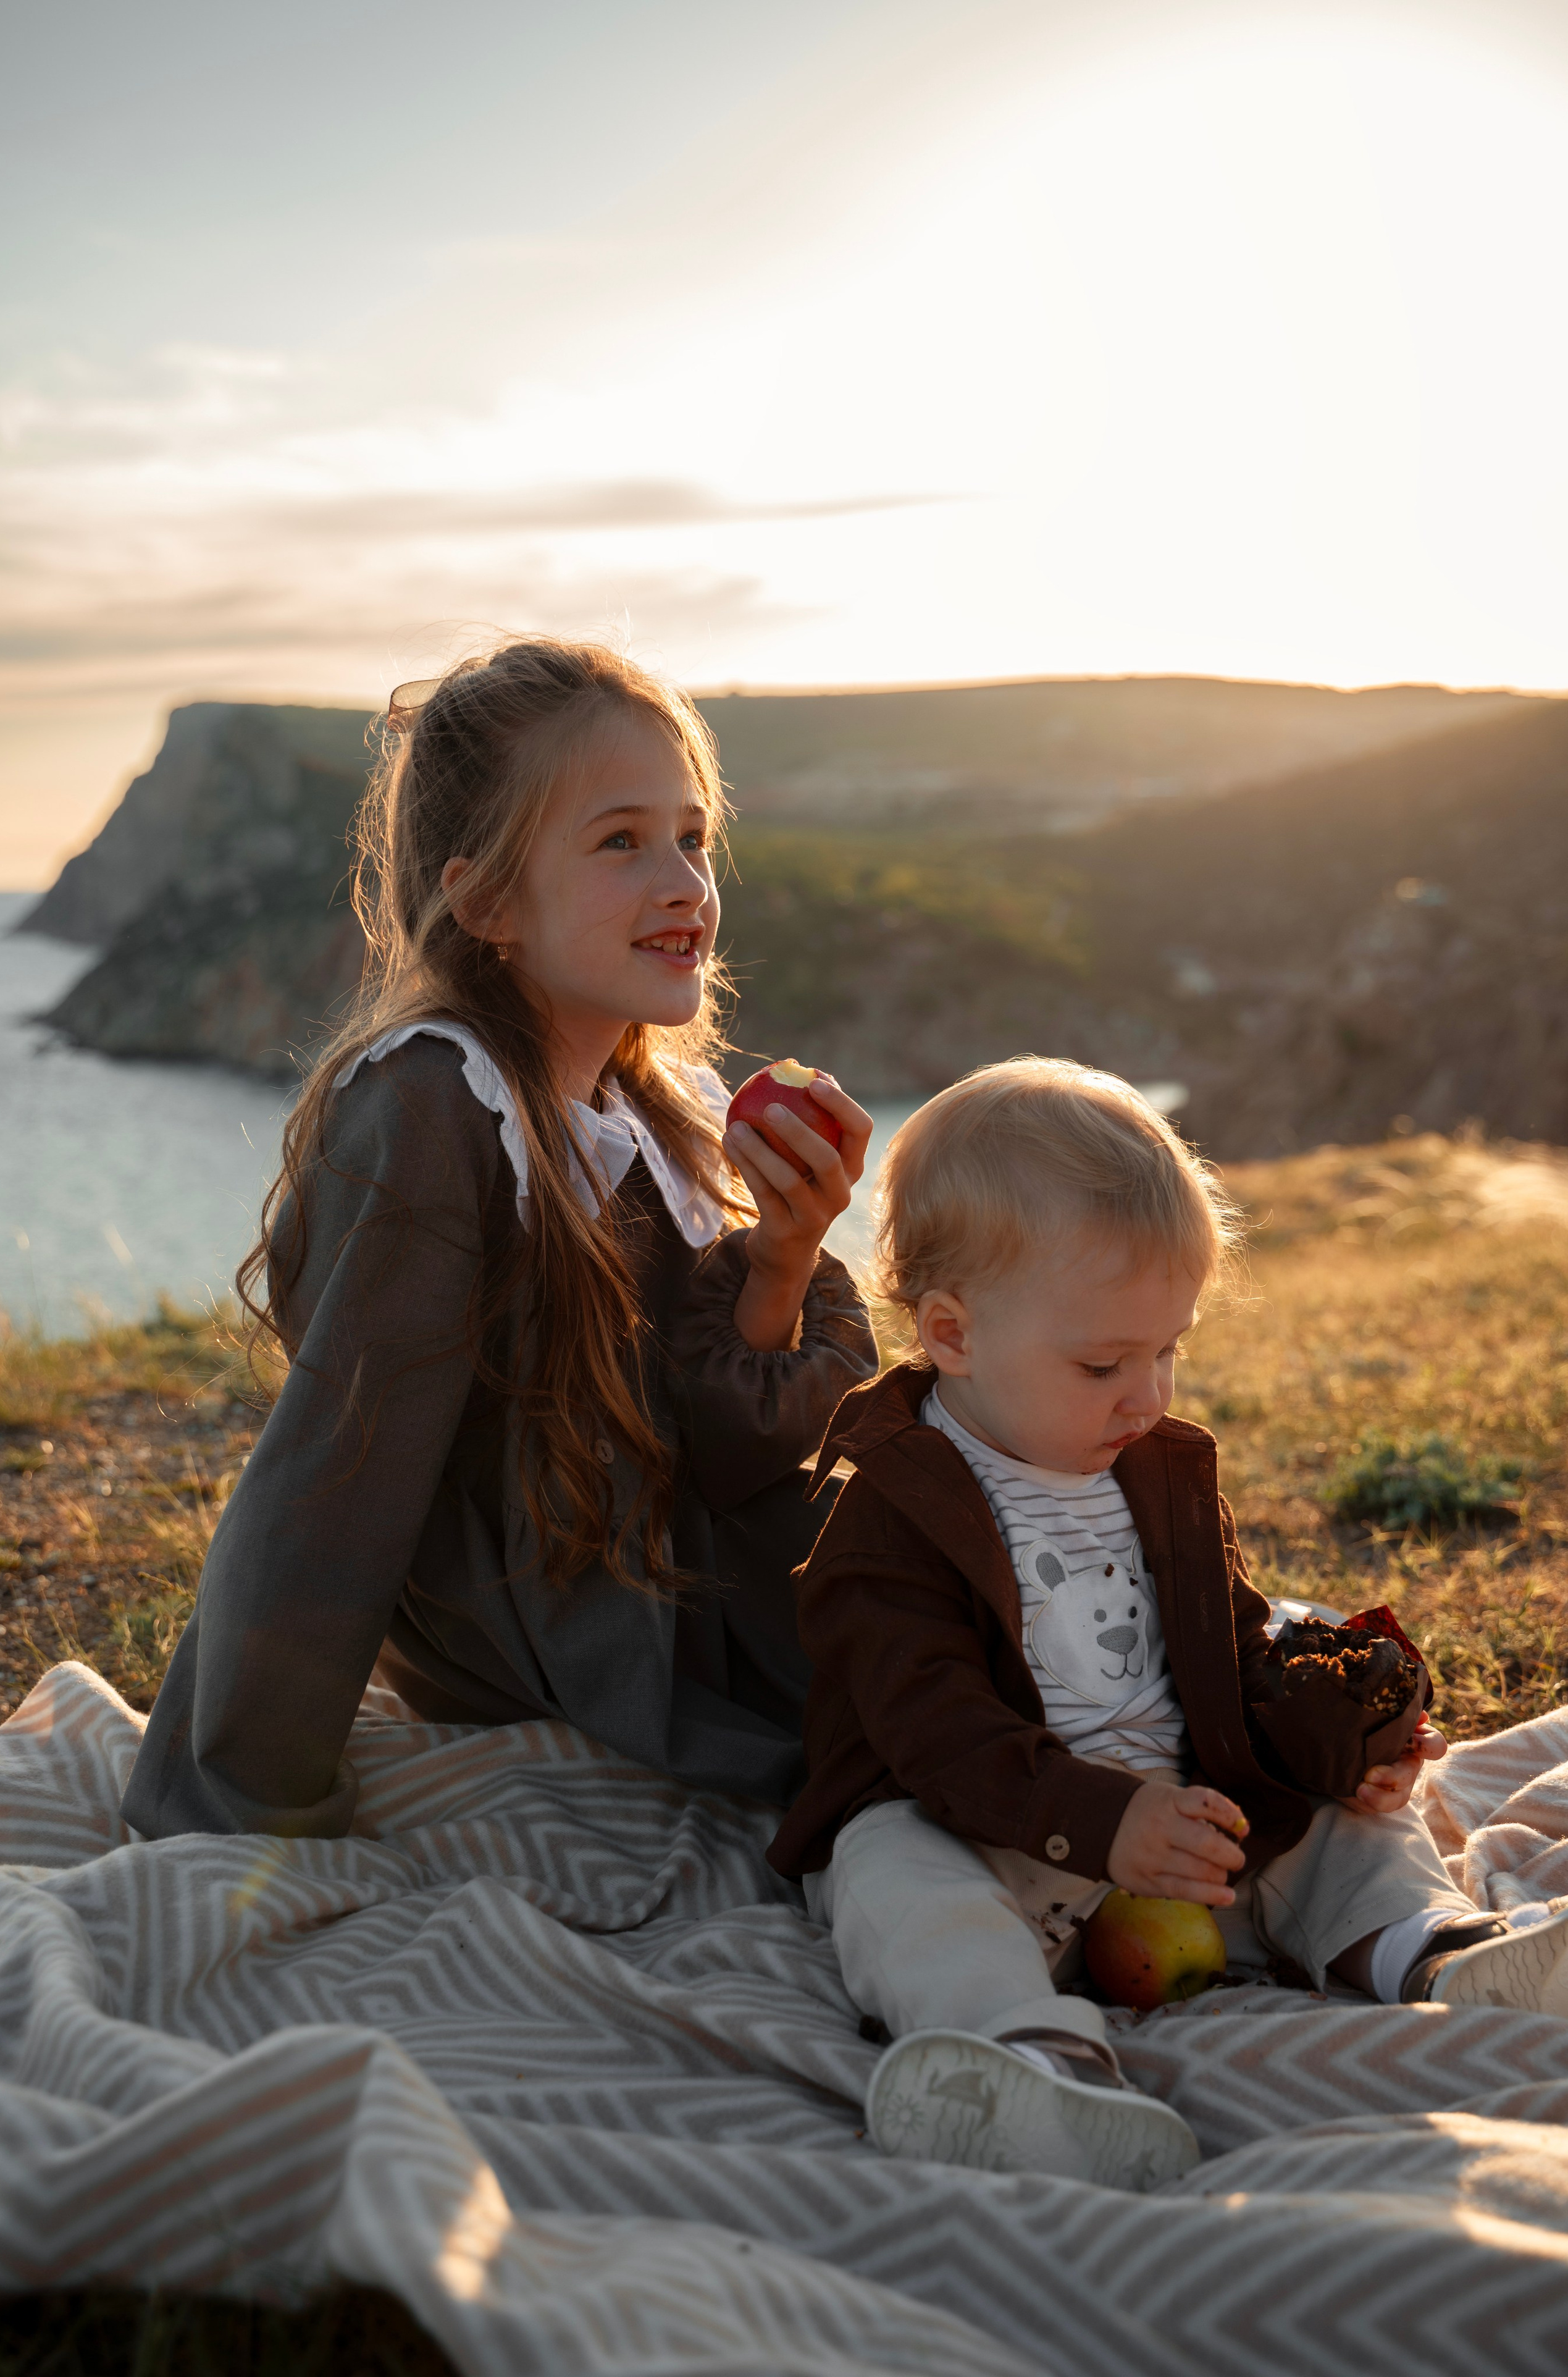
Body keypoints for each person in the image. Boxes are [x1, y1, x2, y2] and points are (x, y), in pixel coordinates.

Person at [123, 636, 876, 1841]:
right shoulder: (434, 1106)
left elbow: (729, 1449)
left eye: (692, 836)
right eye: (620, 840)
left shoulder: (656, 1116)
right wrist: (234, 1800)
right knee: (941, 1688)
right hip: (577, 1627)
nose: (682, 879)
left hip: (693, 1568)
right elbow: (333, 1479)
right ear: (485, 903)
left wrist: (783, 1256)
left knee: (1014, 1546)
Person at [768, 1058, 1568, 2191]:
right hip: (991, 1826)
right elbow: (929, 1731)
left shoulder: (1156, 1470)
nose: (1148, 1395)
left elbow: (1230, 1641)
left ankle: (1430, 1955)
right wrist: (1098, 1819)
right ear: (952, 1332)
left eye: (1168, 1349)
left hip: (1182, 1838)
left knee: (1345, 1824)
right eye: (1104, 1363)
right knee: (892, 1875)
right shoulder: (892, 1513)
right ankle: (1026, 2062)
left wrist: (1342, 1737)